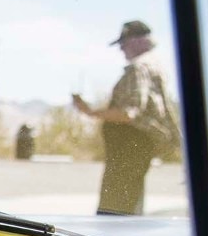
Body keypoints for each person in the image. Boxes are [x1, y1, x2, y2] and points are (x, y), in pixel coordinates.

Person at [72, 20, 179, 215]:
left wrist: (91, 112)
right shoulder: (154, 66)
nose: (121, 49)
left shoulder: (138, 68)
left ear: (140, 41)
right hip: (138, 146)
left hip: (129, 145)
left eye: (124, 43)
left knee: (115, 209)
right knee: (129, 204)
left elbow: (130, 112)